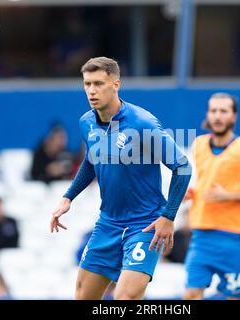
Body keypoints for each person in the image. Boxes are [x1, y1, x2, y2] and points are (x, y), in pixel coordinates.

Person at [49, 57, 191, 300]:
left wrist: (168, 216)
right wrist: (68, 196)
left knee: (124, 298)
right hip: (108, 223)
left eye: (99, 84)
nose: (92, 91)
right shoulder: (86, 122)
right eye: (87, 84)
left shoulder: (141, 123)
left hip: (144, 224)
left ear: (115, 84)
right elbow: (93, 160)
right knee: (83, 296)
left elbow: (182, 166)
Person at [183, 93, 240, 300]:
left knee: (235, 296)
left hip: (233, 237)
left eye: (223, 111)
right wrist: (192, 193)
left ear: (234, 117)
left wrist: (227, 196)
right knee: (191, 293)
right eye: (213, 111)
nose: (217, 116)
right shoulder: (199, 144)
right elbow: (205, 180)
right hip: (201, 235)